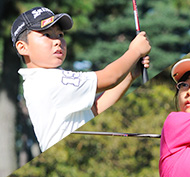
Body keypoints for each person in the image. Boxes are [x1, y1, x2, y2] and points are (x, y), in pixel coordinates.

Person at [11, 7, 151, 152]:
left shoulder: (44, 80)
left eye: (60, 34)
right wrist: (135, 51)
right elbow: (110, 77)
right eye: (46, 35)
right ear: (23, 47)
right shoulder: (47, 80)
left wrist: (130, 76)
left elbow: (95, 109)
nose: (57, 41)